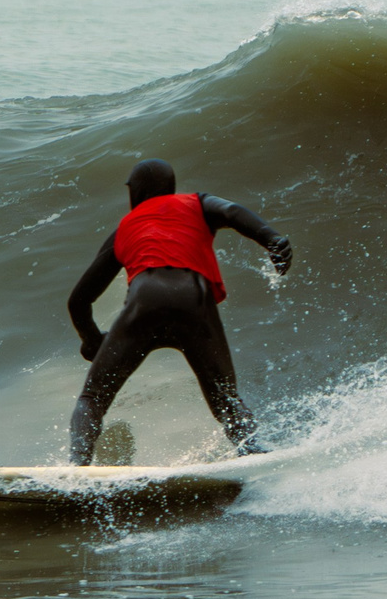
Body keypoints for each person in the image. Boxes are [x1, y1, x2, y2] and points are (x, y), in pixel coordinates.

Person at [65, 158, 293, 464]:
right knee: (225, 399)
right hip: (194, 300)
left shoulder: (125, 228)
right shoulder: (197, 203)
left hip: (144, 301)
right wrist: (271, 239)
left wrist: (92, 340)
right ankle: (254, 455)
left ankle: (78, 469)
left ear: (135, 191)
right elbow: (232, 212)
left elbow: (78, 301)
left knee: (92, 398)